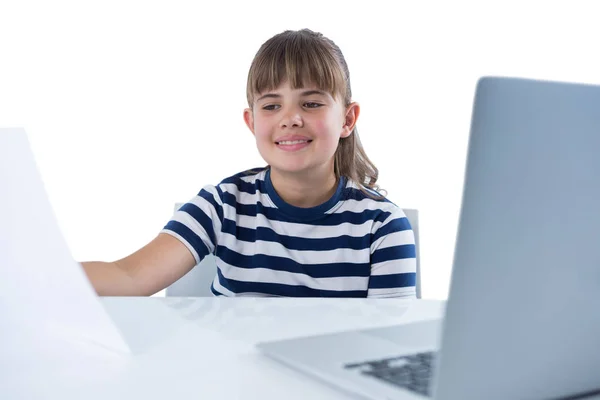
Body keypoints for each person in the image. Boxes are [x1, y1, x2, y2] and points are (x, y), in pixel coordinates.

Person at [81, 29, 417, 298]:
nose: (291, 118)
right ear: (252, 121)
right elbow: (128, 277)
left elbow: (387, 342)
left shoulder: (384, 227)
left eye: (311, 103)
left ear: (347, 118)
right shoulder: (223, 205)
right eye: (271, 106)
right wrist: (38, 278)